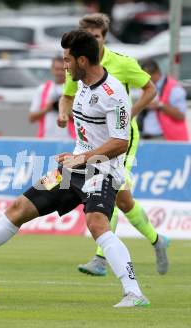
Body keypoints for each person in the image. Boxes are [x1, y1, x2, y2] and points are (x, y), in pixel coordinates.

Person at [0, 30, 150, 308]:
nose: (63, 65)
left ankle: (134, 293)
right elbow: (90, 133)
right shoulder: (80, 86)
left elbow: (119, 143)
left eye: (67, 60)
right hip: (74, 167)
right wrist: (76, 154)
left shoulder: (113, 94)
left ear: (82, 60)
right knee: (19, 207)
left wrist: (84, 157)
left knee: (97, 223)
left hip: (102, 171)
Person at [59, 13, 169, 276]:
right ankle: (157, 239)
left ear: (104, 37)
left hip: (121, 141)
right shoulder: (78, 63)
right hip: (92, 142)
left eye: (97, 36)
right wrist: (64, 112)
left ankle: (100, 258)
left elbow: (150, 89)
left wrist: (131, 112)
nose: (93, 41)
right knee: (123, 199)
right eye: (89, 37)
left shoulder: (122, 63)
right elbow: (67, 95)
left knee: (109, 190)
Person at [139, 59, 189, 141]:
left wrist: (159, 105)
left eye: (146, 77)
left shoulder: (174, 88)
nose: (144, 80)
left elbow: (181, 116)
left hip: (164, 138)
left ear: (156, 73)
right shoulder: (146, 87)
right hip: (144, 137)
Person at [29, 55, 75, 140]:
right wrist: (46, 109)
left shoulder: (75, 88)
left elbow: (83, 119)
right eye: (57, 69)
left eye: (62, 69)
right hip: (46, 139)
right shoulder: (42, 89)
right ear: (52, 69)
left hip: (70, 139)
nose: (60, 72)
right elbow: (31, 118)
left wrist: (65, 110)